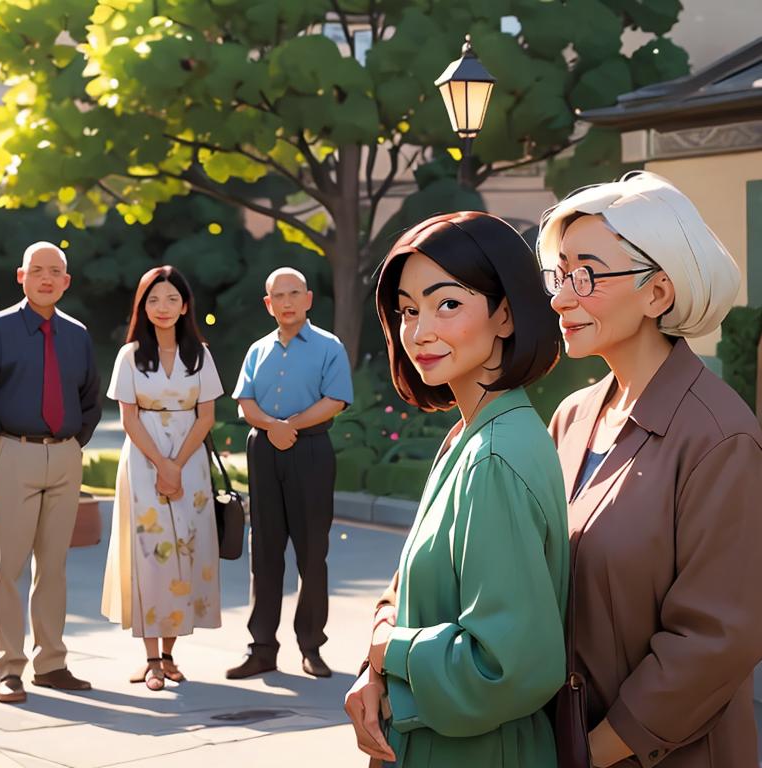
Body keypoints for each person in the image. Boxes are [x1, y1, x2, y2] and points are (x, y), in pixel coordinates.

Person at [538, 171, 762, 768]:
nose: (561, 297)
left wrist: (592, 751)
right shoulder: (572, 416)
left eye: (585, 274)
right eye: (559, 274)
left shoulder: (720, 436)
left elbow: (716, 641)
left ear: (657, 292)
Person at [344, 211, 569, 767]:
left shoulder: (495, 456)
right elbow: (408, 588)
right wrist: (377, 671)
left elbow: (507, 665)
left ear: (506, 315)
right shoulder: (474, 435)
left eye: (447, 304)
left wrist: (389, 653)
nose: (420, 332)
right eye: (407, 311)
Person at [0, 240, 102, 704]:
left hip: (65, 457)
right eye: (37, 270)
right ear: (22, 277)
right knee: (9, 567)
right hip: (13, 452)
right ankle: (9, 668)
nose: (45, 278)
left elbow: (91, 400)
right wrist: (0, 435)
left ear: (66, 281)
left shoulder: (77, 335)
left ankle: (51, 664)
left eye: (54, 271)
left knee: (53, 567)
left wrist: (74, 442)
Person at [226, 267, 353, 680]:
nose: (287, 302)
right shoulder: (257, 350)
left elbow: (335, 400)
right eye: (278, 296)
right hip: (264, 449)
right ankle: (261, 647)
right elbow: (245, 401)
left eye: (294, 293)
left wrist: (291, 427)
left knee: (312, 553)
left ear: (309, 298)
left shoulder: (328, 347)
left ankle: (311, 646)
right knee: (263, 551)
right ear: (268, 304)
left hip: (311, 450)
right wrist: (273, 428)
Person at [101, 266, 223, 690]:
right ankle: (150, 659)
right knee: (150, 555)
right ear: (143, 306)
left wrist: (178, 463)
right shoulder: (130, 355)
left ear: (185, 305)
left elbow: (206, 415)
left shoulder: (200, 355)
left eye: (171, 299)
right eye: (154, 300)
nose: (163, 308)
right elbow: (128, 418)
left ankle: (170, 655)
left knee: (185, 553)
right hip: (143, 461)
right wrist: (162, 463)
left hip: (190, 462)